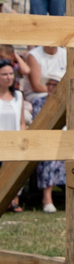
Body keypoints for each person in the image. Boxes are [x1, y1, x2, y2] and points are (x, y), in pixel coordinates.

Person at [30, 70, 64, 212]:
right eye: (49, 84)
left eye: (54, 85)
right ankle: (47, 199)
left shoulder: (66, 103)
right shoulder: (39, 102)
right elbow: (37, 124)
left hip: (64, 141)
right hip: (43, 142)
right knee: (49, 158)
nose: (50, 87)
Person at [0, 60, 24, 212]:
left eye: (11, 74)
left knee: (14, 171)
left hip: (14, 141)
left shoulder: (18, 96)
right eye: (4, 74)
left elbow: (22, 122)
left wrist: (23, 140)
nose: (9, 77)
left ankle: (13, 200)